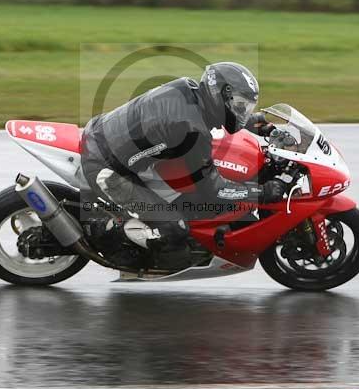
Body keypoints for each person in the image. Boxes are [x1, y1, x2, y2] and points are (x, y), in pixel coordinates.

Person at [80, 62, 285, 251]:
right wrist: (260, 193)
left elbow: (215, 114)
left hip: (106, 136)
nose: (242, 112)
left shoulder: (188, 88)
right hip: (107, 167)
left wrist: (252, 122)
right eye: (240, 106)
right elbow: (214, 189)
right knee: (173, 229)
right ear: (221, 94)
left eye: (245, 108)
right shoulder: (191, 130)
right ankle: (109, 236)